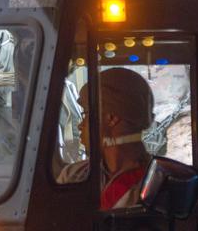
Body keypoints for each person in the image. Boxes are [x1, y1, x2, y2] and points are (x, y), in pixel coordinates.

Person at [59, 68, 155, 210]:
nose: (80, 125)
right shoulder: (74, 175)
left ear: (111, 118)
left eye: (86, 114)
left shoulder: (155, 184)